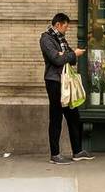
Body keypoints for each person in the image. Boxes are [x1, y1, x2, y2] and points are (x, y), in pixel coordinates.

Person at [39, 13, 94, 164]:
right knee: (56, 117)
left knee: (73, 116)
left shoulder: (60, 39)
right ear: (58, 25)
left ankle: (77, 151)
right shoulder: (46, 38)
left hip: (65, 81)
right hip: (54, 81)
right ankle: (55, 154)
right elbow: (56, 59)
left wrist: (68, 54)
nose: (66, 29)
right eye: (65, 26)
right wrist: (70, 54)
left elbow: (68, 57)